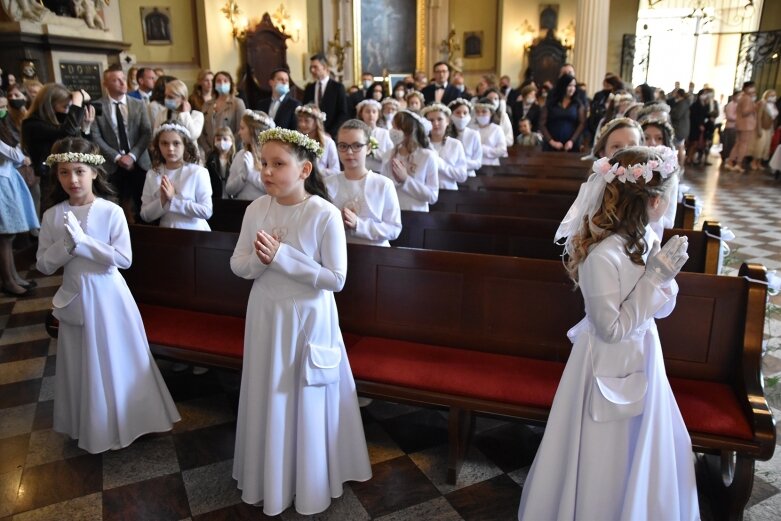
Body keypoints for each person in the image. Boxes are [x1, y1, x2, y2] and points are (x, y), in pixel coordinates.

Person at [519, 145, 698, 520]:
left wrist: (663, 279)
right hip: (605, 362)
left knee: (643, 446)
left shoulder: (646, 238)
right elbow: (612, 329)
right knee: (606, 452)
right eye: (668, 194)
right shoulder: (603, 256)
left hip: (646, 354)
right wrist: (655, 279)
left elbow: (659, 310)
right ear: (651, 201)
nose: (672, 201)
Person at [230, 127, 372, 515]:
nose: (268, 172)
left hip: (308, 318)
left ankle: (309, 480)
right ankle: (269, 477)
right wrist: (260, 261)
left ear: (305, 168)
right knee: (269, 390)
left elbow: (336, 279)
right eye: (264, 164)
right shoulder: (255, 209)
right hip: (265, 313)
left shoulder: (323, 213)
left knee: (304, 391)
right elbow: (238, 263)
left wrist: (283, 258)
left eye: (278, 164)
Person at [36, 137, 180, 454]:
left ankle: (133, 420)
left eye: (79, 171)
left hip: (109, 294)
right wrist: (65, 247)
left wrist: (85, 243)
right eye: (63, 173)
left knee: (119, 357)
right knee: (82, 360)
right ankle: (88, 423)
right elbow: (44, 265)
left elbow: (124, 259)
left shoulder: (110, 211)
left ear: (94, 173)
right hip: (75, 294)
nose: (72, 180)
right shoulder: (52, 215)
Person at [324, 119, 401, 246]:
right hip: (338, 252)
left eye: (356, 146)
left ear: (369, 148)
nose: (349, 152)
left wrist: (359, 225)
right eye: (343, 146)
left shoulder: (383, 184)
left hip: (376, 256)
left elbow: (394, 229)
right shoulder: (327, 183)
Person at [90, 65, 152, 223]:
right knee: (116, 207)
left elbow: (146, 133)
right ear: (106, 84)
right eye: (116, 80)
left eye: (123, 79)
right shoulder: (98, 106)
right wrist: (118, 157)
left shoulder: (138, 104)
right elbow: (96, 136)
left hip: (139, 163)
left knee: (144, 205)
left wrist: (132, 156)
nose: (122, 83)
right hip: (112, 165)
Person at [21, 83, 95, 210]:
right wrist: (77, 101)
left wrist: (86, 129)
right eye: (65, 106)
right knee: (55, 218)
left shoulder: (59, 122)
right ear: (50, 105)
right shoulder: (32, 124)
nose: (67, 110)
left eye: (69, 106)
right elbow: (67, 132)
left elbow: (82, 150)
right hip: (51, 181)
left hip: (68, 176)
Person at [0, 91, 39, 296]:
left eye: (5, 107)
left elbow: (17, 158)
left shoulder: (4, 128)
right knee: (4, 236)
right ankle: (8, 281)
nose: (4, 111)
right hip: (1, 183)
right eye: (0, 107)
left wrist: (20, 154)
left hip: (8, 179)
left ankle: (14, 276)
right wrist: (20, 151)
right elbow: (16, 154)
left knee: (10, 234)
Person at [140, 122, 212, 230]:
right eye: (164, 143)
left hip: (195, 234)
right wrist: (162, 200)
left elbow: (206, 211)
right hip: (166, 233)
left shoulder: (198, 172)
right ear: (158, 145)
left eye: (176, 143)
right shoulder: (152, 174)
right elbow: (145, 215)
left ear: (185, 145)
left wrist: (173, 200)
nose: (170, 148)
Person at [381, 110, 438, 211]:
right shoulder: (388, 155)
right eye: (393, 127)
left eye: (397, 128)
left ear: (409, 130)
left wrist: (406, 179)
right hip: (392, 212)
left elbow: (432, 196)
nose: (393, 131)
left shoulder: (427, 156)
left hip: (417, 214)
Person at [226, 110, 274, 200]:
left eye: (242, 128)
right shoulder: (241, 155)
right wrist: (243, 176)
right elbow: (229, 189)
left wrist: (251, 174)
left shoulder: (271, 156)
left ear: (254, 131)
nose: (239, 132)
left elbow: (272, 189)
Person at [199, 71, 246, 157]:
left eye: (225, 81)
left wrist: (228, 147)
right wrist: (208, 150)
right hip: (211, 153)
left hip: (232, 152)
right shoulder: (207, 105)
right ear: (214, 85)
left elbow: (241, 129)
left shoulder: (237, 103)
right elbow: (201, 131)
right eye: (218, 81)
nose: (222, 83)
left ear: (230, 84)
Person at [422, 103, 467, 189]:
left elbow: (462, 176)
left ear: (447, 121)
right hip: (426, 192)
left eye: (439, 119)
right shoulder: (422, 144)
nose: (435, 123)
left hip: (449, 191)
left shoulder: (456, 144)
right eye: (431, 120)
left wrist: (440, 163)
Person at [303, 53, 349, 135]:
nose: (312, 70)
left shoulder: (338, 87)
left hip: (331, 134)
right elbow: (305, 110)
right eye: (311, 67)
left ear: (324, 67)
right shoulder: (309, 88)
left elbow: (343, 113)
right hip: (312, 134)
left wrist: (331, 132)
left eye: (315, 67)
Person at [539, 74, 587, 152]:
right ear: (563, 86)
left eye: (574, 86)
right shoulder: (551, 103)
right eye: (569, 86)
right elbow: (542, 124)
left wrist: (572, 141)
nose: (572, 89)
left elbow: (582, 123)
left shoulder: (577, 104)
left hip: (572, 146)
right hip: (551, 145)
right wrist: (551, 141)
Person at [296, 104, 339, 177]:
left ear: (316, 122)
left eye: (307, 121)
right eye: (300, 120)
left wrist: (314, 171)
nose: (302, 124)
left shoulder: (328, 142)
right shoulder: (297, 140)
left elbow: (335, 170)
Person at [725, 81, 757, 172]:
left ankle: (730, 162)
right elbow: (745, 112)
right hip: (746, 125)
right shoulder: (747, 98)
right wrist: (754, 107)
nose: (753, 90)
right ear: (747, 88)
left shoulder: (743, 97)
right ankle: (738, 164)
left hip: (740, 124)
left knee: (738, 143)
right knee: (743, 145)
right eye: (752, 87)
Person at [355, 99, 392, 173]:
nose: (371, 115)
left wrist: (373, 152)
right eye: (367, 112)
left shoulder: (384, 133)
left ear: (378, 114)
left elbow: (390, 154)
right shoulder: (357, 132)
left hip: (380, 171)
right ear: (361, 114)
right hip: (361, 171)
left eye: (374, 112)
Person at [448, 98, 482, 177]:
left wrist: (459, 164)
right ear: (451, 115)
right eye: (458, 112)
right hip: (450, 175)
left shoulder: (474, 134)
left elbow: (478, 162)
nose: (461, 116)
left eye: (465, 113)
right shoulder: (446, 134)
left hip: (469, 175)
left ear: (469, 115)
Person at [469, 98, 507, 166]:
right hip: (473, 165)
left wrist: (483, 149)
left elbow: (502, 149)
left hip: (491, 165)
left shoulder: (497, 129)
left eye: (484, 111)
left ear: (491, 113)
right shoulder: (471, 128)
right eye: (477, 111)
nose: (480, 114)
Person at [750, 89, 778, 170]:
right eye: (771, 95)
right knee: (759, 145)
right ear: (767, 95)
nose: (773, 97)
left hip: (769, 128)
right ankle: (753, 162)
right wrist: (758, 128)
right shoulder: (762, 103)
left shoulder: (773, 105)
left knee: (766, 146)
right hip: (761, 127)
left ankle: (759, 162)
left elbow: (773, 117)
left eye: (774, 95)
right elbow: (758, 117)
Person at [204, 126, 234, 199]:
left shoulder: (235, 158)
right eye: (218, 139)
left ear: (232, 141)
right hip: (215, 195)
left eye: (225, 139)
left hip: (232, 196)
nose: (221, 142)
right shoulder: (210, 159)